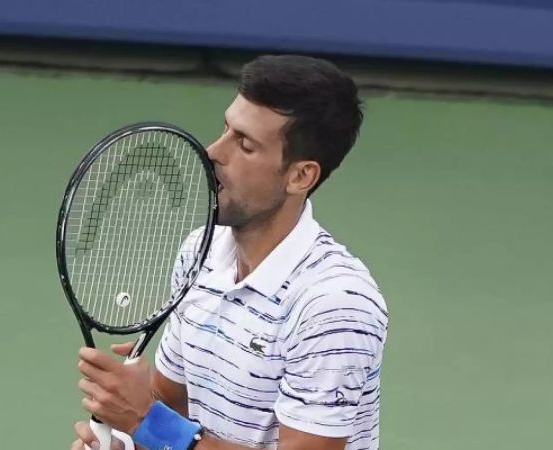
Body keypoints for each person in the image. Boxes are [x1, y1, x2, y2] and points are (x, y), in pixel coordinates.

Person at [72, 54, 388, 450]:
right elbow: (174, 405)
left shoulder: (334, 303)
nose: (212, 152)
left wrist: (144, 420)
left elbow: (162, 425)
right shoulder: (199, 255)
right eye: (225, 129)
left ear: (300, 175)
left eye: (245, 145)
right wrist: (125, 440)